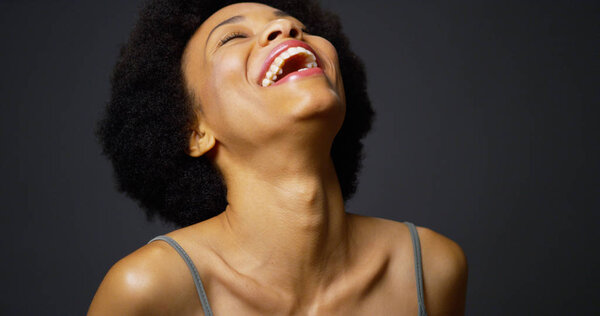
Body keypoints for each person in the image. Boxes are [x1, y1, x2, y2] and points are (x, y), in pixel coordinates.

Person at [88, 0, 468, 315]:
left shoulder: (433, 269)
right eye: (233, 37)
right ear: (195, 131)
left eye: (294, 25)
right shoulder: (146, 291)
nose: (286, 30)